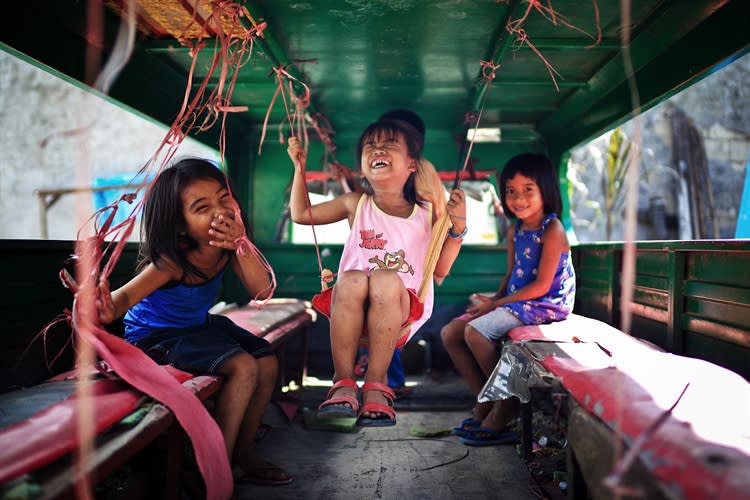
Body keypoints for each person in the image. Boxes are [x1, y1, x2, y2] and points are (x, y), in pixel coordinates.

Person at [95, 158, 291, 485]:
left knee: (267, 361)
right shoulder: (171, 262)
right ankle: (216, 470)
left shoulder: (230, 248)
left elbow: (263, 289)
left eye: (224, 198)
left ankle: (244, 452)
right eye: (203, 207)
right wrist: (104, 306)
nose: (220, 211)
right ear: (181, 227)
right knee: (243, 367)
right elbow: (123, 301)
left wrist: (241, 244)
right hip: (155, 337)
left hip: (197, 326)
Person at [287, 119, 467, 426]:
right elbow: (301, 214)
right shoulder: (355, 204)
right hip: (351, 303)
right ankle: (343, 383)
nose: (377, 149)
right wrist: (299, 169)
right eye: (370, 145)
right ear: (362, 167)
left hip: (403, 310)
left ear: (412, 164)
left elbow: (440, 270)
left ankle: (376, 385)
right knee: (354, 278)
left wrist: (458, 228)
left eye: (389, 144)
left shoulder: (427, 213)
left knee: (384, 278)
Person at [441, 152, 575, 445]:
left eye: (528, 189)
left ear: (546, 190)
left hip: (545, 304)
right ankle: (486, 399)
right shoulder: (515, 230)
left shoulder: (551, 229)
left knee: (475, 333)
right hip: (516, 300)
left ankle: (506, 403)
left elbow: (541, 286)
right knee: (450, 332)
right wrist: (493, 299)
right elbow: (511, 275)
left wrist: (496, 305)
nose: (519, 198)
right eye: (511, 191)